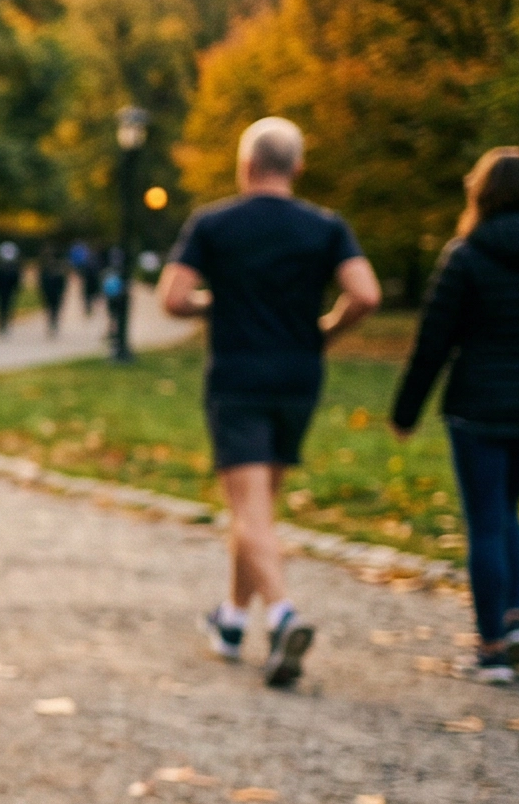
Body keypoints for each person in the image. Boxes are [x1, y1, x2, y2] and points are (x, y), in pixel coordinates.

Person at [160, 116, 381, 687]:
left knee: (248, 510)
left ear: (245, 164)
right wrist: (325, 329)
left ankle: (283, 618)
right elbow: (366, 293)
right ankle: (232, 622)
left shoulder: (213, 224)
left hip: (238, 375)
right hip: (298, 376)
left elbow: (174, 298)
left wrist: (215, 303)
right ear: (297, 167)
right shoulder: (325, 227)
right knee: (257, 510)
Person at [389, 148, 519, 684]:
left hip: (479, 409)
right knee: (507, 508)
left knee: (487, 519)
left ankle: (491, 647)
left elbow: (433, 342)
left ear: (479, 194)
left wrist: (406, 409)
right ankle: (514, 620)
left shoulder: (465, 255)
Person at [0, 241, 23, 337]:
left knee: (6, 308)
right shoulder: (1, 270)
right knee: (1, 308)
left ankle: (4, 324)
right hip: (1, 292)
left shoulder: (11, 270)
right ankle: (1, 324)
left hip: (7, 292)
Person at [38, 249, 70, 337]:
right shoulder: (45, 271)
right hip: (50, 293)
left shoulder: (59, 271)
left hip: (56, 293)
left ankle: (53, 324)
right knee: (51, 310)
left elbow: (63, 284)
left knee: (55, 310)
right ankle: (52, 324)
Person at [70, 239, 100, 317]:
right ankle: (89, 307)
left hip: (89, 281)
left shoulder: (86, 260)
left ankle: (89, 307)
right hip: (90, 281)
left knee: (88, 295)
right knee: (89, 295)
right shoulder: (90, 259)